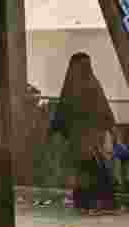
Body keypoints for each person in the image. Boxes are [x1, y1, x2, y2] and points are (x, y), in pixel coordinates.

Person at [50, 53, 117, 215]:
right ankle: (97, 204)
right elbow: (103, 110)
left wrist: (59, 129)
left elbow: (62, 111)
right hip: (88, 138)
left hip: (82, 138)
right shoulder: (90, 83)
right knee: (93, 170)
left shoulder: (73, 84)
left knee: (86, 170)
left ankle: (86, 204)